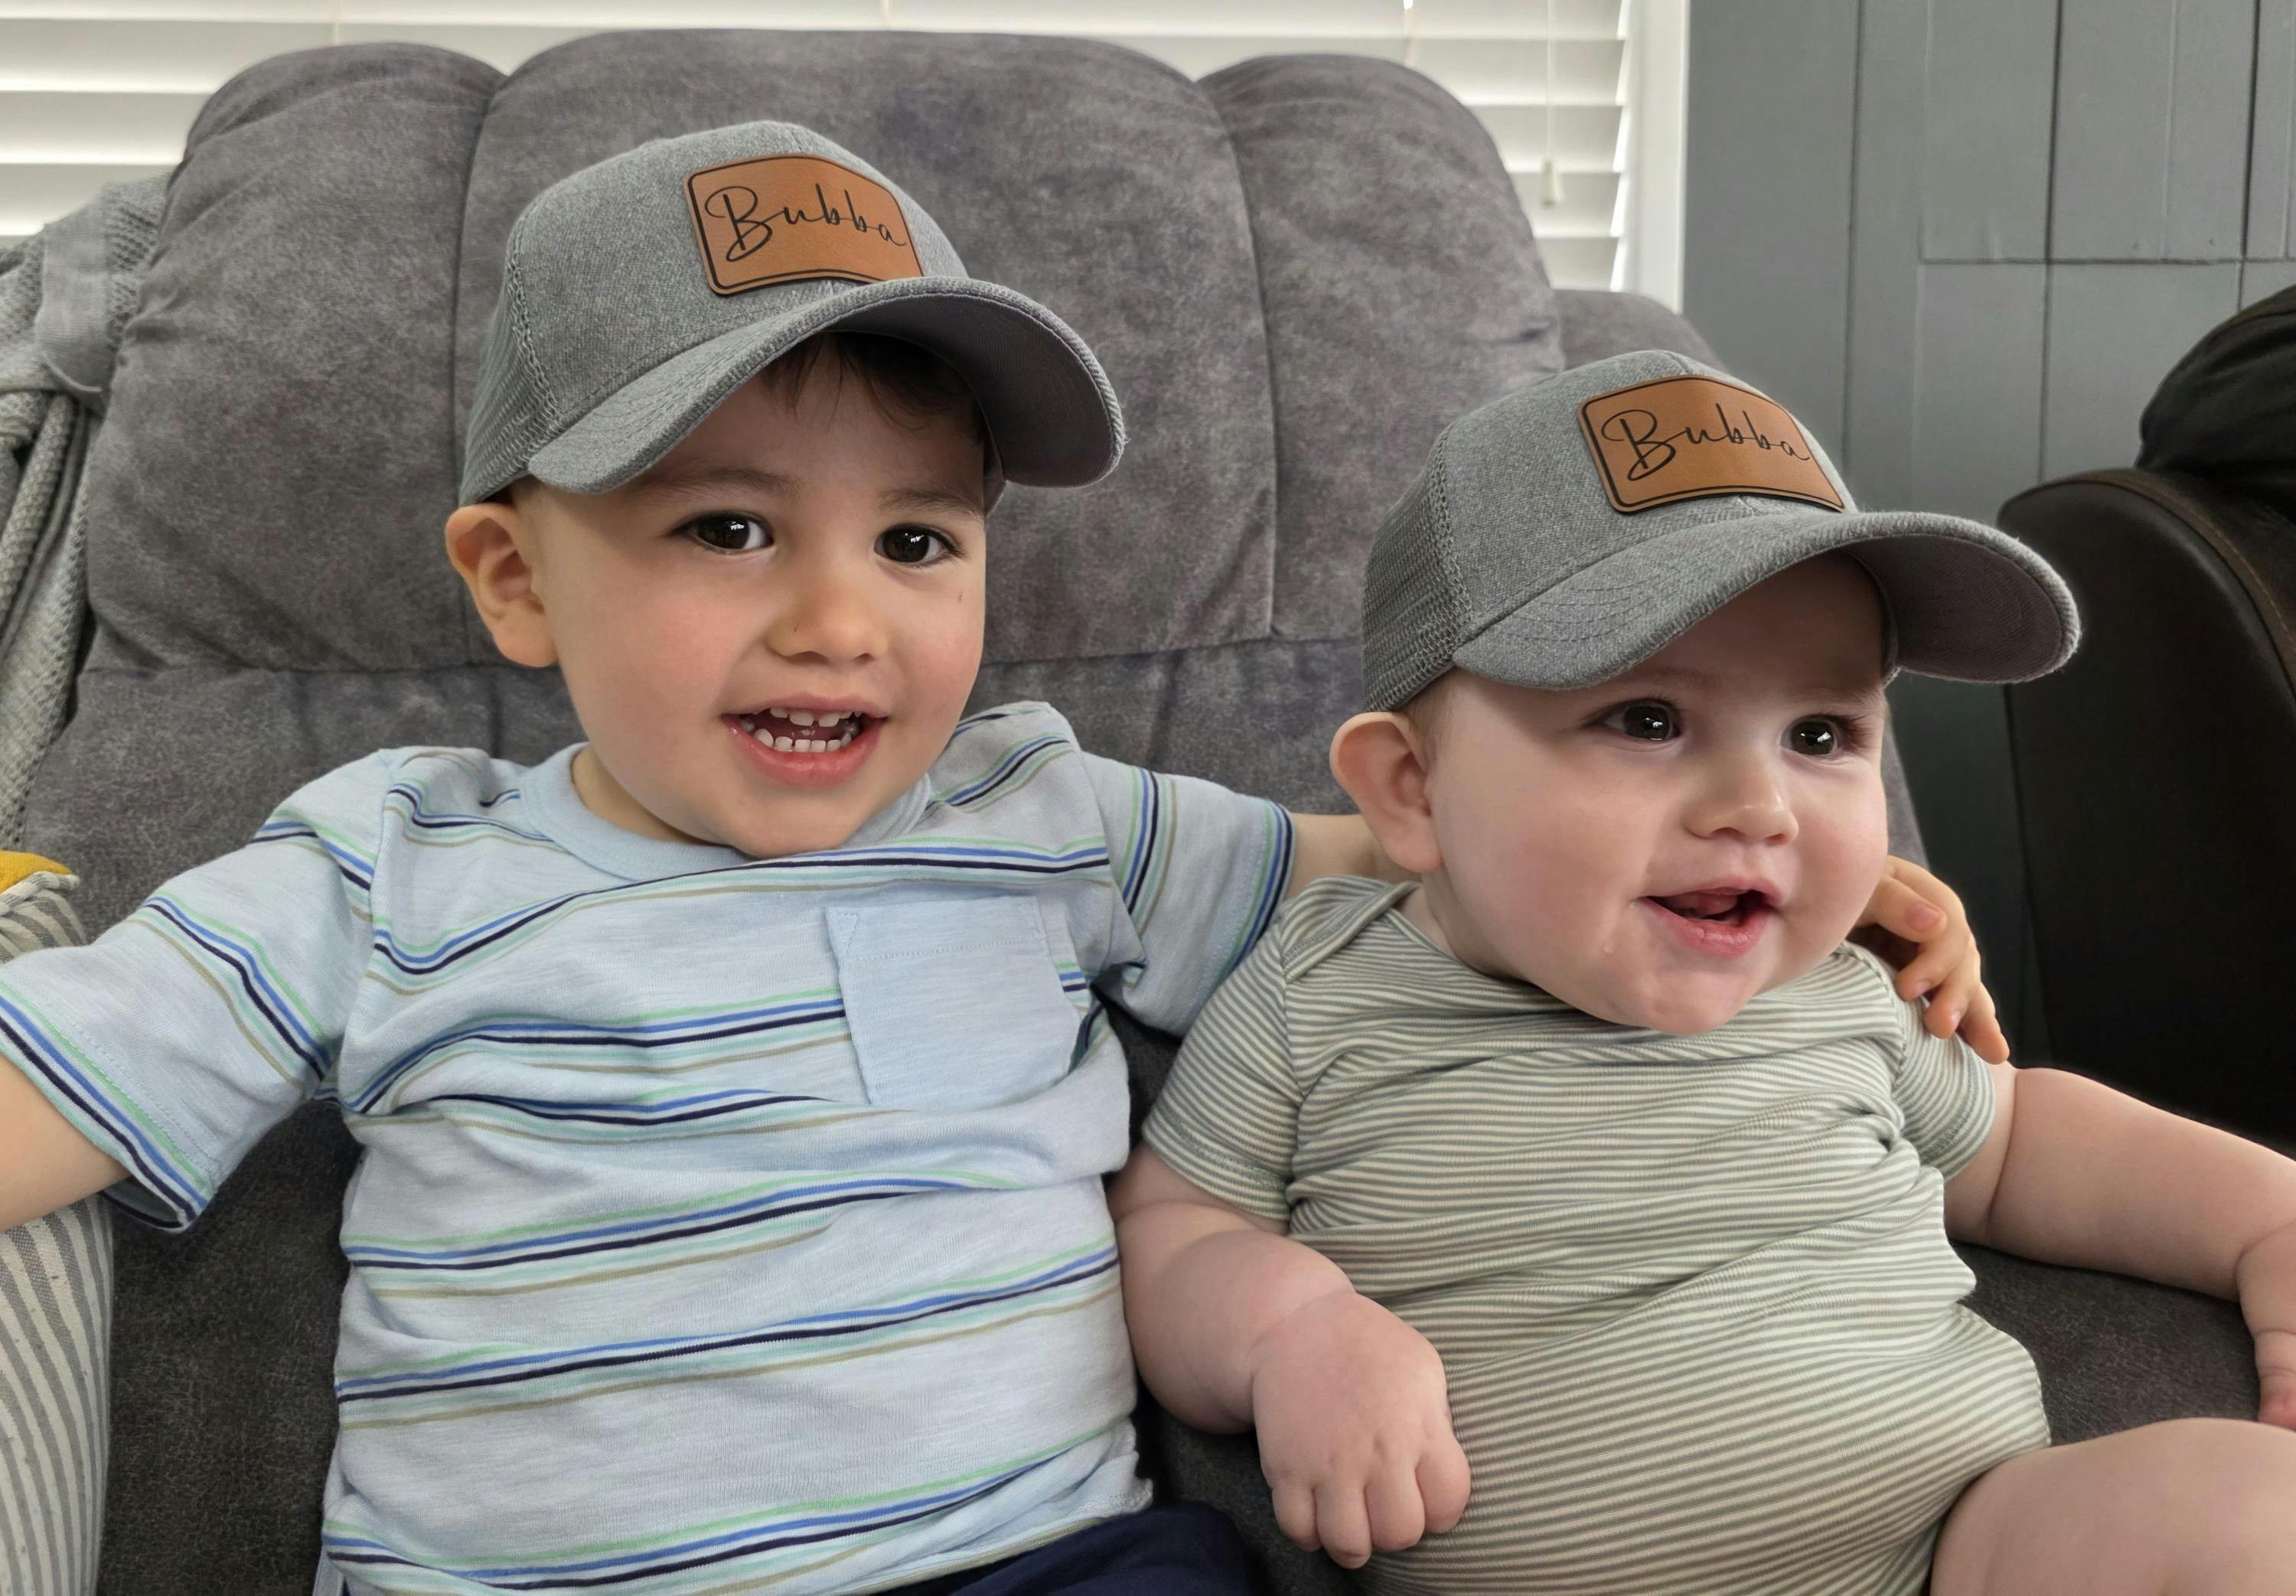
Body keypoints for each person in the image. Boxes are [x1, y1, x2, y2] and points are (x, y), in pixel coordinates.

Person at [0, 132, 1991, 1596]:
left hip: (1038, 1563)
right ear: (516, 578)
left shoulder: (1043, 812)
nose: (840, 620)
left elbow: (1423, 857)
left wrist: (1786, 891)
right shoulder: (392, 861)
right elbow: (66, 1073)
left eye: (919, 540)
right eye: (727, 530)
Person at [1111, 350, 2296, 1596]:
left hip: (1961, 1542)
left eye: (1821, 733)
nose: (1759, 804)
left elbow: (2022, 1145)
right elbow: (1176, 1226)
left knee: (2244, 1509)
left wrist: (2266, 1218)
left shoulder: (1842, 988)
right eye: (1649, 720)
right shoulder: (1319, 991)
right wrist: (1291, 1328)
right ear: (1411, 790)